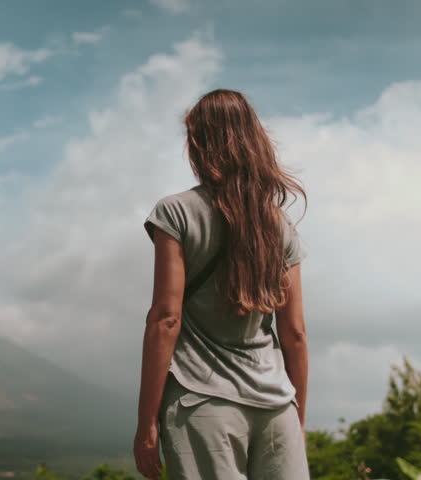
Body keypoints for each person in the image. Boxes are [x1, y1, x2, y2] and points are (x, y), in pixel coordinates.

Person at [133, 89, 310, 480]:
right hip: (276, 404)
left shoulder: (176, 212)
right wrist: (298, 418)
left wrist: (147, 423)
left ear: (200, 145)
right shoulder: (280, 225)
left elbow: (165, 318)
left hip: (201, 403)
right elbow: (294, 331)